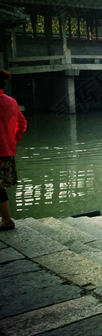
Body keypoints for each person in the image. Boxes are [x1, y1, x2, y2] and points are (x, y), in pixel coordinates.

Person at [0, 70, 26, 230]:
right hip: (6, 151)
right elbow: (22, 123)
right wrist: (12, 141)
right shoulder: (11, 102)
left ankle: (7, 219)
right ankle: (6, 218)